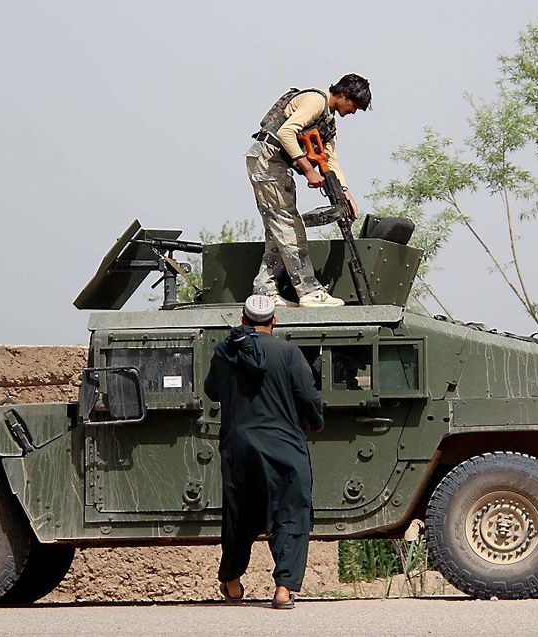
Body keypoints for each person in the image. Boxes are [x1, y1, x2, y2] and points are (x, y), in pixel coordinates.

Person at [205, 294, 324, 609]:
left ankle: (231, 582)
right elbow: (308, 396)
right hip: (283, 446)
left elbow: (211, 390)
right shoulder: (288, 353)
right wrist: (315, 422)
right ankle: (284, 589)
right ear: (275, 321)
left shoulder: (225, 354)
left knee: (238, 513)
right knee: (291, 511)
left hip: (239, 446)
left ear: (243, 320)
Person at [246, 74, 372, 308]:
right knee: (290, 228)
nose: (353, 112)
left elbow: (329, 159)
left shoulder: (328, 121)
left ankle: (264, 290)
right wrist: (307, 170)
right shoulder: (316, 101)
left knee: (279, 231)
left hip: (275, 165)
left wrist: (346, 193)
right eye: (354, 105)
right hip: (268, 162)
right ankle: (310, 291)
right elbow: (286, 133)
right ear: (344, 94)